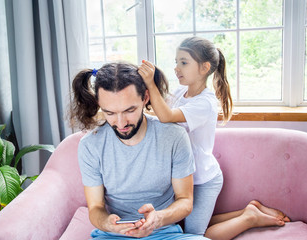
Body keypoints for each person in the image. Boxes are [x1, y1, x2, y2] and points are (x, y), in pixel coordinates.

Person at [138, 36, 290, 239]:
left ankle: (249, 219)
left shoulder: (205, 103)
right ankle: (247, 211)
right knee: (184, 225)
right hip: (184, 177)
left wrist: (150, 82)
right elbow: (159, 110)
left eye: (184, 62)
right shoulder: (181, 91)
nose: (177, 68)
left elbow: (166, 116)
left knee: (196, 235)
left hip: (203, 179)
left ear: (204, 68)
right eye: (176, 62)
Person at [69, 62, 209, 239]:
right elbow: (95, 207)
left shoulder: (174, 136)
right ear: (99, 104)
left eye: (130, 110)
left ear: (145, 98)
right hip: (113, 235)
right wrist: (107, 223)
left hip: (163, 233)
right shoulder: (90, 145)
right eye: (110, 113)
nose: (121, 124)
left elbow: (185, 201)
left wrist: (158, 218)